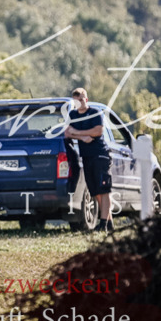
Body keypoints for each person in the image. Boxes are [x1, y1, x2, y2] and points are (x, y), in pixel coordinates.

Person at [63, 87, 113, 232]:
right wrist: (83, 137)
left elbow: (98, 131)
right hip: (86, 157)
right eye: (76, 100)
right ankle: (109, 223)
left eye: (81, 99)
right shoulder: (73, 114)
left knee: (104, 189)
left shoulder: (95, 112)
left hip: (100, 155)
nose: (79, 102)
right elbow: (67, 133)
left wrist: (77, 132)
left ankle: (103, 223)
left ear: (86, 99)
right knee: (95, 191)